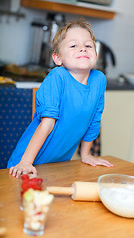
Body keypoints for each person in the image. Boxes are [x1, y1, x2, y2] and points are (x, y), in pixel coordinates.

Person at [7, 19, 113, 178]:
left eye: (88, 45)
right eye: (73, 46)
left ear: (95, 55)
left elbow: (94, 121)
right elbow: (47, 124)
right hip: (27, 162)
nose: (82, 49)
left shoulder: (99, 80)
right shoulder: (57, 77)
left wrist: (85, 154)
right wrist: (26, 162)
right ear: (57, 58)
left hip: (59, 166)